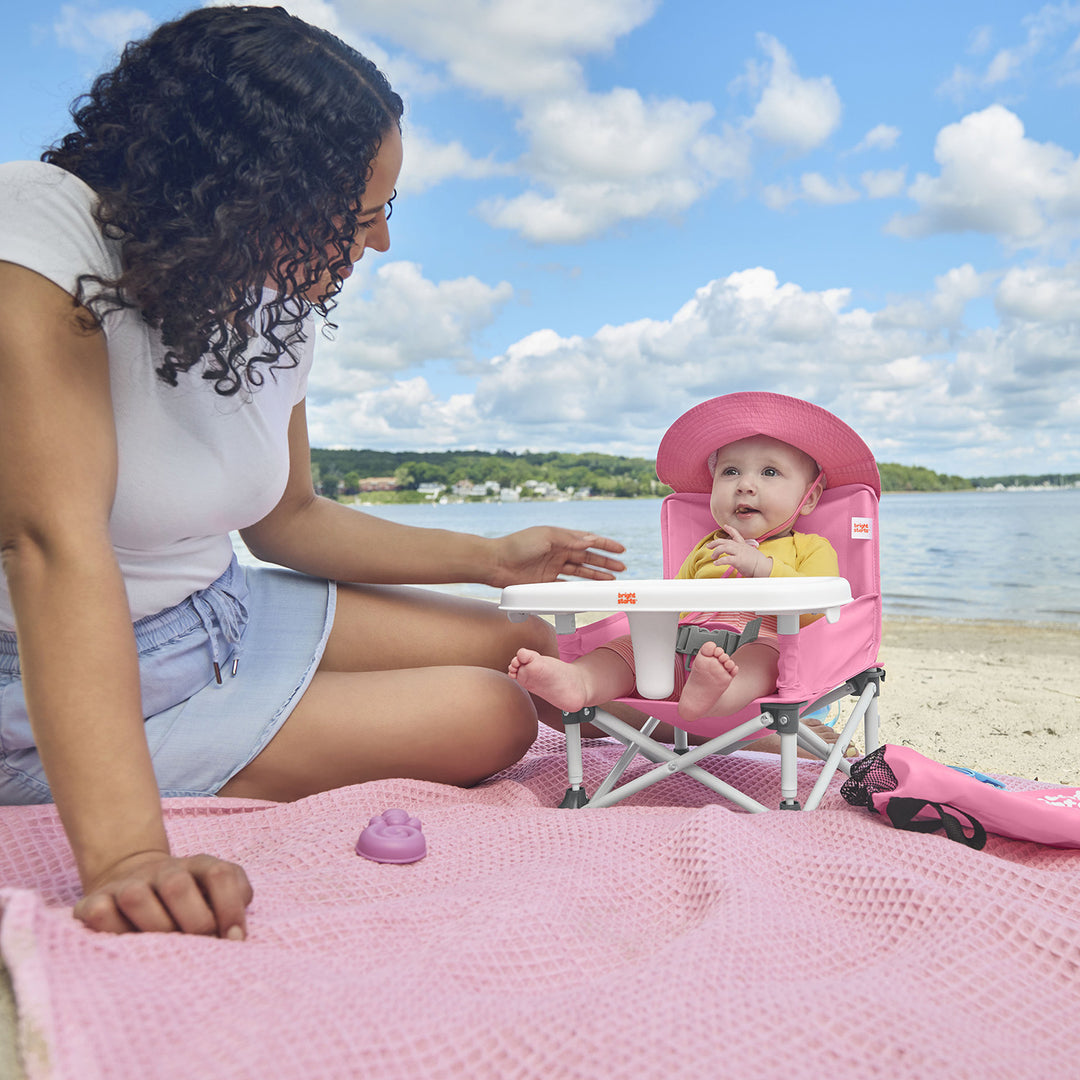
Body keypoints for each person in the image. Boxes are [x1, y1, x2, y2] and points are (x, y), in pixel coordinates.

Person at [0, 6, 625, 940]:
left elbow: (287, 518)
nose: (378, 245)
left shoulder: (266, 295)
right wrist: (131, 856)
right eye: (361, 215)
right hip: (65, 667)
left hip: (224, 604)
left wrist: (493, 556)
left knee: (524, 640)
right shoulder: (41, 224)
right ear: (255, 191)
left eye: (387, 212)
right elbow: (50, 543)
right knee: (495, 717)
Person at [510, 427, 838, 724]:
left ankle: (716, 695)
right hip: (683, 648)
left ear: (808, 498)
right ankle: (581, 680)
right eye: (730, 471)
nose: (744, 486)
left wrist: (761, 568)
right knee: (628, 649)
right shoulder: (707, 549)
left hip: (761, 645)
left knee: (765, 660)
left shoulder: (810, 548)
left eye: (769, 472)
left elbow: (815, 609)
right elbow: (674, 605)